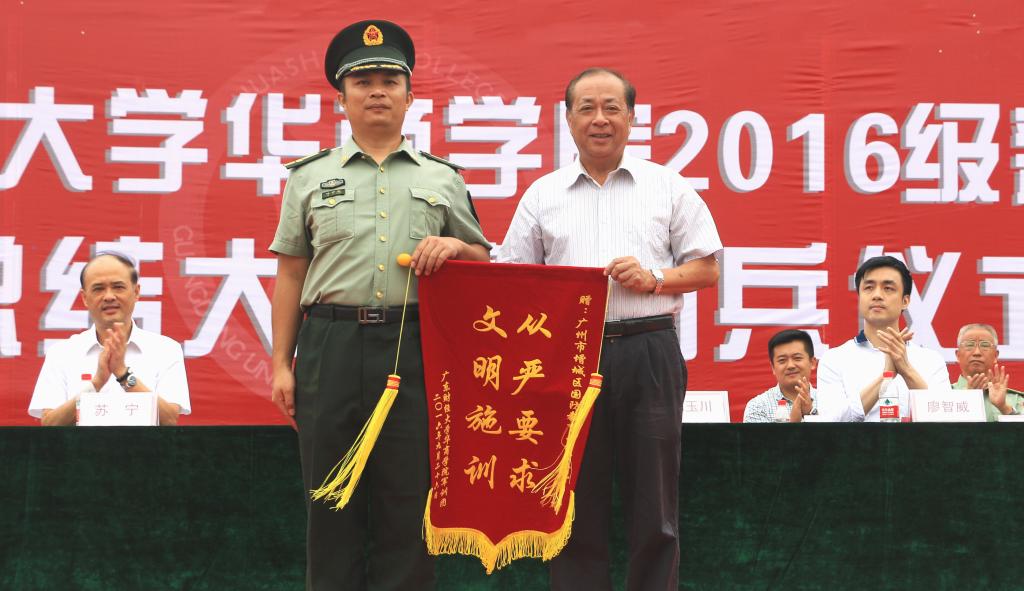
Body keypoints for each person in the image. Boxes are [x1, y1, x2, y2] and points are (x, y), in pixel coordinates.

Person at [268, 20, 490, 591]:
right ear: (341, 99)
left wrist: (456, 247)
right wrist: (281, 364)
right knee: (330, 496)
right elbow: (291, 272)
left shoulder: (442, 178)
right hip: (331, 344)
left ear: (410, 97)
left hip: (413, 346)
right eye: (362, 82)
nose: (377, 92)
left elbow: (482, 260)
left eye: (390, 81)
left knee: (408, 497)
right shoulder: (309, 177)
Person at [498, 67, 722, 591]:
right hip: (568, 358)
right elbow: (512, 278)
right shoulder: (543, 194)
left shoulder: (667, 187)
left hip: (649, 350)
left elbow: (707, 269)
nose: (600, 119)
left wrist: (654, 278)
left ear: (631, 117)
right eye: (587, 108)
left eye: (611, 108)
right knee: (572, 496)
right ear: (568, 119)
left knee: (655, 503)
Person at [27, 252, 190, 426]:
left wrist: (124, 375)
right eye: (98, 289)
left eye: (118, 287)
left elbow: (170, 419)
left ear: (136, 292)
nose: (109, 296)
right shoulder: (61, 353)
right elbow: (50, 424)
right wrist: (96, 383)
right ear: (85, 298)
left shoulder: (166, 350)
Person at [816, 256, 949, 421]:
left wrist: (906, 369)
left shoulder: (932, 360)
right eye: (869, 288)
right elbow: (830, 422)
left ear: (905, 301)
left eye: (888, 288)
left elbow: (944, 420)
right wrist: (886, 376)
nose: (877, 295)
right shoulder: (834, 359)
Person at [743, 329, 818, 423]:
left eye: (797, 358)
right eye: (782, 360)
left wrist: (810, 414)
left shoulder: (830, 401)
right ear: (773, 367)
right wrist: (794, 423)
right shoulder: (758, 407)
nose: (790, 365)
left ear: (812, 362)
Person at [951, 323, 1022, 421]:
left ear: (995, 356)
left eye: (985, 345)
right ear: (958, 355)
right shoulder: (943, 394)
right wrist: (967, 398)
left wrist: (1004, 408)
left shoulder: (1015, 399)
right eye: (969, 345)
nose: (977, 352)